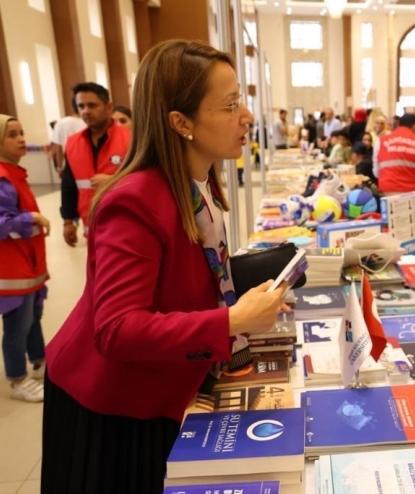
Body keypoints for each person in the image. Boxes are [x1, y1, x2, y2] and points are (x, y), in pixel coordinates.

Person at [41, 40, 289, 493]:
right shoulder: (134, 201)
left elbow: (191, 270)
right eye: (231, 105)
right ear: (181, 122)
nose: (248, 117)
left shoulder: (201, 181)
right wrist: (232, 319)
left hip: (168, 385)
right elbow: (116, 328)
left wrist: (258, 292)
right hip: (113, 404)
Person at [0, 114, 50, 403]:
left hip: (28, 264)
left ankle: (40, 362)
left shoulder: (12, 171)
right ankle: (17, 378)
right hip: (11, 269)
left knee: (33, 317)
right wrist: (32, 218)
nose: (20, 139)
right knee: (17, 324)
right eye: (11, 134)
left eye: (21, 132)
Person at [60, 82, 131, 245]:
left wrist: (113, 182)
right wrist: (68, 221)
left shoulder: (131, 140)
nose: (85, 111)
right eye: (81, 106)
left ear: (108, 107)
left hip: (125, 226)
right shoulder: (73, 143)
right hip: (91, 229)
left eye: (92, 105)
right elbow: (68, 185)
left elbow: (147, 181)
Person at [373, 113, 415, 195]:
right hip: (411, 195)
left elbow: (376, 172)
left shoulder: (381, 141)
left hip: (386, 192)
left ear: (398, 124)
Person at [49, 100, 86, 177]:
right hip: (87, 164)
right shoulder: (90, 122)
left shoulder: (61, 123)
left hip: (69, 166)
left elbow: (59, 148)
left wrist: (59, 167)